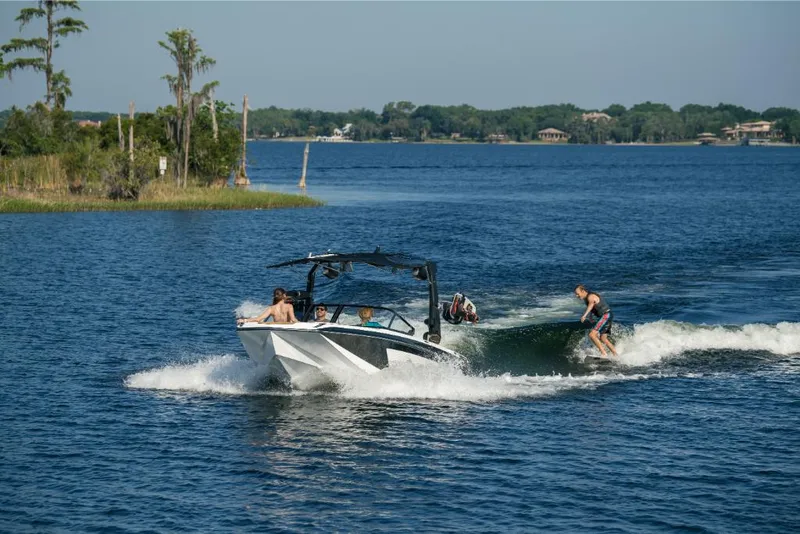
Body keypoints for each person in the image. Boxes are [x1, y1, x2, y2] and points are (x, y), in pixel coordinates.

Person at [574, 284, 618, 358]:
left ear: (583, 291)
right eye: (576, 294)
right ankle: (616, 355)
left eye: (578, 294)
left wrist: (584, 315)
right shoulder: (586, 299)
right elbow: (593, 307)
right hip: (608, 315)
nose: (576, 296)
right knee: (603, 339)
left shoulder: (590, 296)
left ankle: (603, 353)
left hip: (606, 315)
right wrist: (591, 316)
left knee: (592, 335)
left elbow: (591, 305)